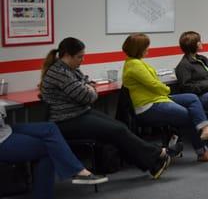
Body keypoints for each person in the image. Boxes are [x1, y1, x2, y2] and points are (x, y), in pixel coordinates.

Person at [40, 37, 171, 179]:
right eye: (79, 57)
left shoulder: (71, 70)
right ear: (67, 56)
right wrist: (88, 88)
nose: (82, 60)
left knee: (119, 126)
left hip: (79, 113)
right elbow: (87, 96)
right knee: (117, 130)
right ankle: (157, 155)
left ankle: (153, 161)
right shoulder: (60, 73)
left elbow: (87, 85)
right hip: (65, 121)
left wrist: (88, 88)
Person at [122, 33, 208, 162]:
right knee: (190, 114)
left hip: (158, 99)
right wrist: (166, 89)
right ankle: (202, 152)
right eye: (146, 46)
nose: (148, 49)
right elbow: (154, 84)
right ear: (139, 48)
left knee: (192, 98)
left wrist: (162, 89)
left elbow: (154, 83)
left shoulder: (135, 62)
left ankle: (206, 128)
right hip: (149, 106)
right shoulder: (134, 65)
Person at [0, 105, 107, 199]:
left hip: (5, 130)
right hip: (2, 138)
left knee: (49, 128)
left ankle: (77, 171)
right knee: (49, 147)